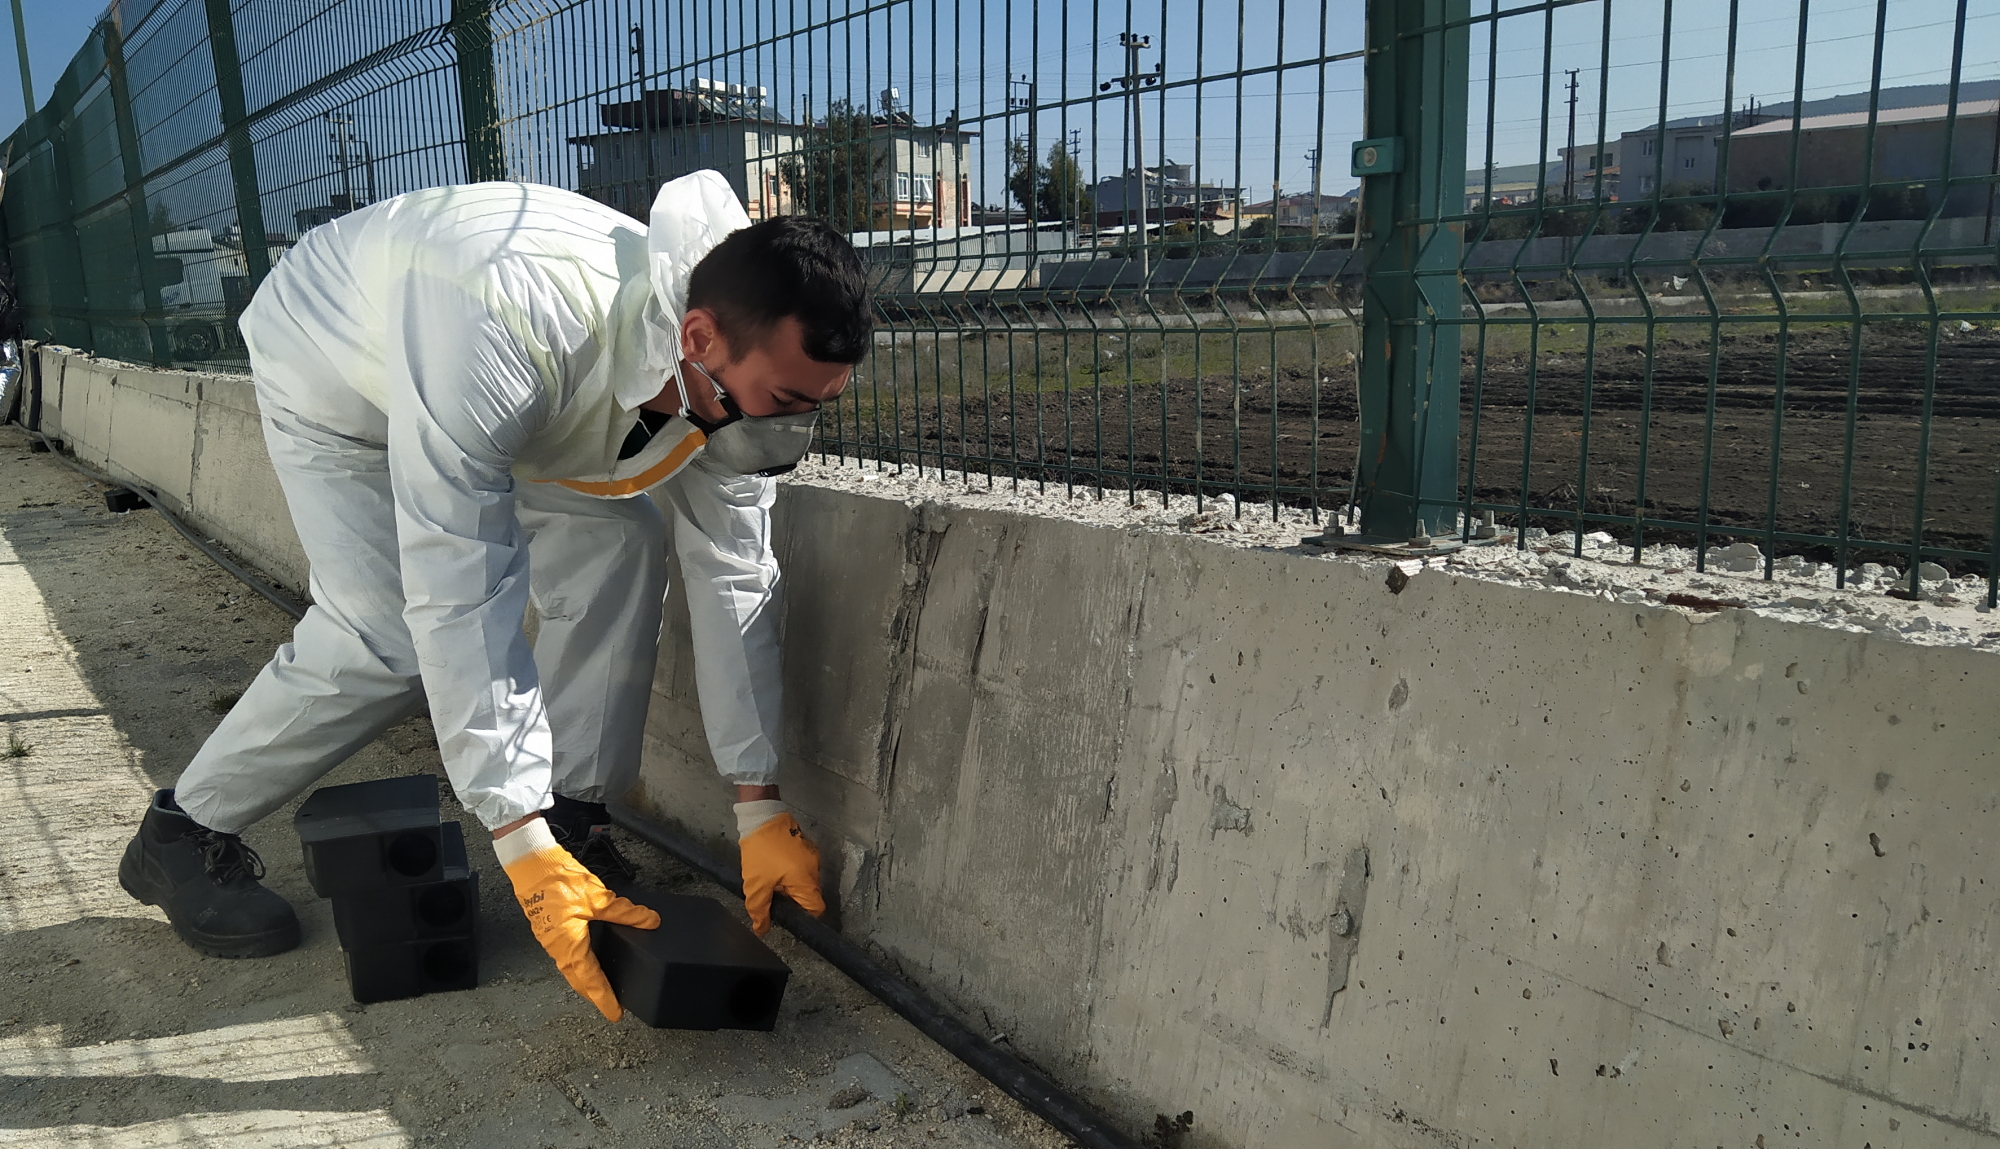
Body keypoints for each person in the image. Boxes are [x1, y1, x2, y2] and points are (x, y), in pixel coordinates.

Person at [116, 171, 866, 1022]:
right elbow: (460, 584)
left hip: (512, 391)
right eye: (786, 402)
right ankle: (183, 828)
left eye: (816, 406)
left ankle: (572, 821)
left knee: (617, 540)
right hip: (340, 362)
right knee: (386, 632)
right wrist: (513, 829)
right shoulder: (510, 317)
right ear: (697, 337)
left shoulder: (729, 364)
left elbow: (736, 571)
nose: (791, 428)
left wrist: (757, 799)